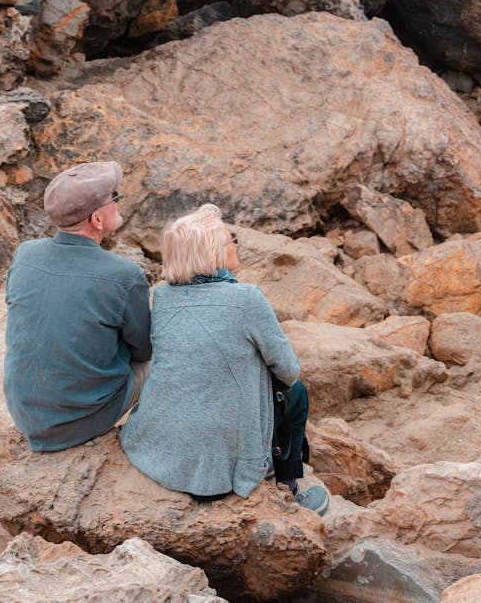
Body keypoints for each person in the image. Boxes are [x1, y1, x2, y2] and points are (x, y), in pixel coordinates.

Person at [120, 204, 328, 515]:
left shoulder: (161, 297)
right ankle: (288, 487)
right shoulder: (246, 299)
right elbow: (288, 369)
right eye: (230, 238)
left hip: (159, 443)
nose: (235, 243)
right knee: (295, 393)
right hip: (226, 456)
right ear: (212, 252)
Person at [3, 161, 152, 451]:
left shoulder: (25, 254)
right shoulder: (123, 275)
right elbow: (144, 350)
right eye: (115, 198)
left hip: (24, 412)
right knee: (164, 361)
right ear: (97, 219)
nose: (118, 201)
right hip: (78, 420)